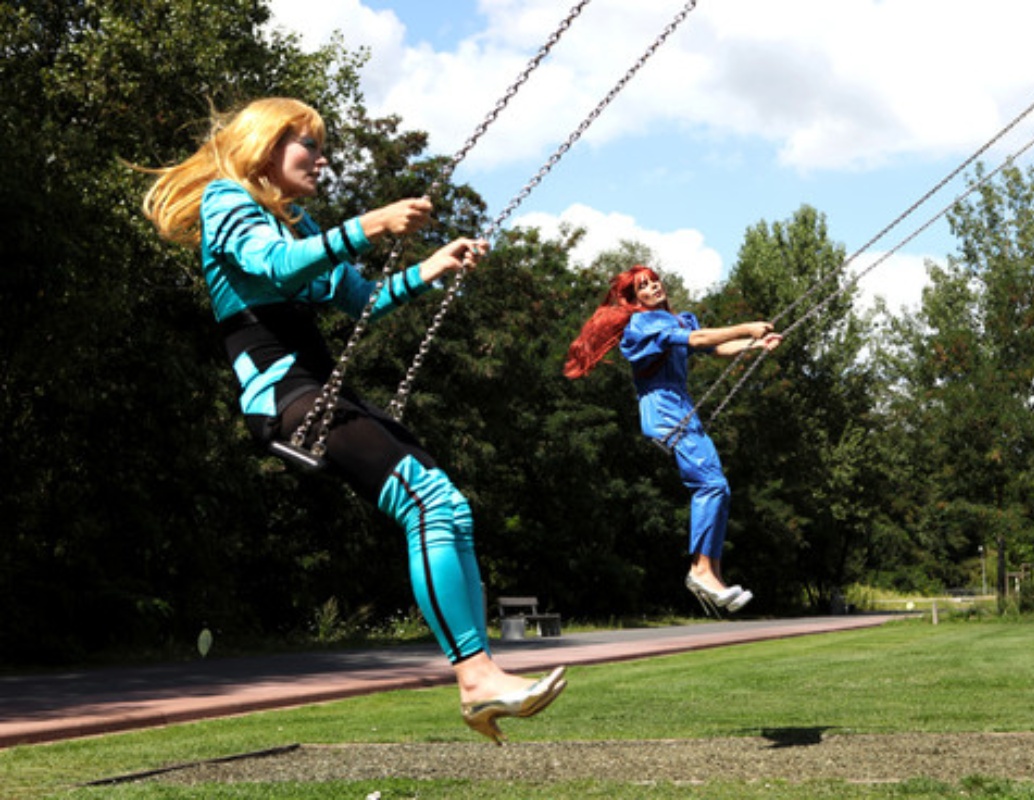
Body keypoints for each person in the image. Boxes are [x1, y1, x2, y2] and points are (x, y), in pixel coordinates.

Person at [141, 97, 564, 744]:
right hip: (284, 394)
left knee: (446, 507)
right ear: (266, 144)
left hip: (318, 389)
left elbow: (363, 301)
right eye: (308, 143)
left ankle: (481, 682)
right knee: (429, 504)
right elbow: (274, 266)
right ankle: (476, 679)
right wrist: (369, 224)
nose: (321, 157)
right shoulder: (228, 203)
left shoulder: (298, 222)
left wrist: (431, 267)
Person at [564, 265, 782, 614]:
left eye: (654, 281)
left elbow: (714, 348)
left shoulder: (678, 321)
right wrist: (746, 326)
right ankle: (700, 571)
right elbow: (699, 340)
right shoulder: (643, 325)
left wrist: (756, 343)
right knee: (710, 485)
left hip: (682, 410)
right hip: (663, 411)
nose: (653, 288)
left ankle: (714, 575)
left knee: (719, 487)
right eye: (644, 287)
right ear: (635, 299)